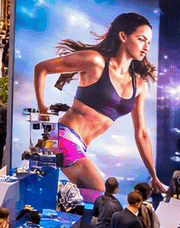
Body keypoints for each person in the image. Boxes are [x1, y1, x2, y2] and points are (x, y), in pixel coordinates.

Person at [33, 12, 165, 204]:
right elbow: (42, 68)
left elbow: (142, 133)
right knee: (97, 189)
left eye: (149, 42)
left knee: (87, 197)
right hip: (62, 137)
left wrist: (154, 176)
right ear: (123, 36)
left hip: (80, 147)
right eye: (141, 39)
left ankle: (53, 199)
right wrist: (42, 108)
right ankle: (53, 198)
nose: (146, 47)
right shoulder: (96, 62)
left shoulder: (138, 84)